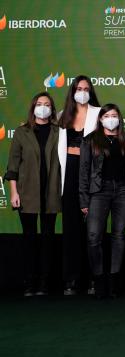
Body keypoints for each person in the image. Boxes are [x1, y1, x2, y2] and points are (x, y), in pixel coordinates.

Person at [5, 92, 61, 296]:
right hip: (26, 192)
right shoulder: (22, 132)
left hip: (51, 192)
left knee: (48, 239)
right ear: (33, 107)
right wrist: (13, 193)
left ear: (52, 109)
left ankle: (44, 283)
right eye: (39, 104)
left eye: (47, 104)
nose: (43, 107)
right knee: (29, 238)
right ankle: (29, 281)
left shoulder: (59, 132)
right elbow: (12, 165)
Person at [79, 104, 125, 299]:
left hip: (123, 192)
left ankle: (115, 280)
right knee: (93, 237)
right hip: (98, 192)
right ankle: (99, 279)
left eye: (114, 116)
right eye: (107, 116)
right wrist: (84, 200)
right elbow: (84, 171)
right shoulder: (90, 140)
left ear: (119, 119)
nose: (111, 119)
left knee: (119, 236)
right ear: (100, 119)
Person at [57, 75, 101, 296]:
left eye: (85, 88)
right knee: (71, 229)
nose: (82, 92)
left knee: (92, 230)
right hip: (69, 173)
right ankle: (71, 279)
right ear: (72, 91)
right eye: (78, 88)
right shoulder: (62, 116)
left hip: (91, 174)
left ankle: (94, 278)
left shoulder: (98, 113)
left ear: (90, 91)